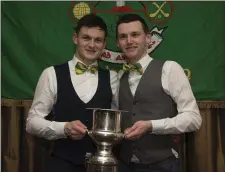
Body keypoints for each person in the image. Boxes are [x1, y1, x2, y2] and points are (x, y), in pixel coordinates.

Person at [26, 14, 118, 172]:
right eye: (86, 38)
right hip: (62, 163)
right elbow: (32, 123)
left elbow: (117, 124)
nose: (91, 45)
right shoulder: (51, 74)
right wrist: (65, 128)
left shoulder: (113, 78)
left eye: (98, 40)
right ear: (76, 38)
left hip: (102, 166)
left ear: (104, 44)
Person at [115, 13, 202, 172]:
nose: (129, 41)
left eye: (135, 34)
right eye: (123, 36)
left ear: (148, 38)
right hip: (125, 164)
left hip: (162, 165)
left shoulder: (170, 68)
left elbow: (193, 118)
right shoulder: (119, 78)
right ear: (117, 43)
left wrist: (151, 126)